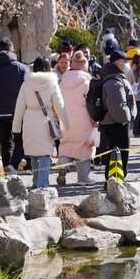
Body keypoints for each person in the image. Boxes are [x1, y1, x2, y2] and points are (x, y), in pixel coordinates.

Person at [12, 57, 68, 189]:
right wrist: (66, 124)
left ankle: (36, 182)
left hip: (29, 119)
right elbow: (60, 105)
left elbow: (19, 106)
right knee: (44, 153)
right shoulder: (52, 83)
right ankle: (43, 185)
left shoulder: (26, 83)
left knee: (33, 153)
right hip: (45, 119)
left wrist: (16, 128)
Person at [0, 38, 30, 172]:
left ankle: (6, 167)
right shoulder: (21, 68)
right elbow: (29, 89)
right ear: (12, 49)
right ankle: (12, 166)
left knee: (4, 143)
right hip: (18, 111)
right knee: (20, 141)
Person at [57, 51, 96, 186]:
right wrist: (94, 120)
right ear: (84, 64)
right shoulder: (87, 81)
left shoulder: (62, 80)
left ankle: (62, 165)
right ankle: (83, 178)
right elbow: (90, 103)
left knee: (66, 144)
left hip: (65, 119)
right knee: (84, 147)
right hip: (83, 119)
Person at [99, 51, 136, 181]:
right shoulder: (114, 80)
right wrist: (126, 118)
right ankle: (115, 181)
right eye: (124, 60)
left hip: (111, 122)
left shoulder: (113, 76)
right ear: (116, 62)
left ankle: (114, 181)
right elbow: (117, 105)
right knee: (118, 155)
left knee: (113, 155)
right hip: (117, 124)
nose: (127, 63)